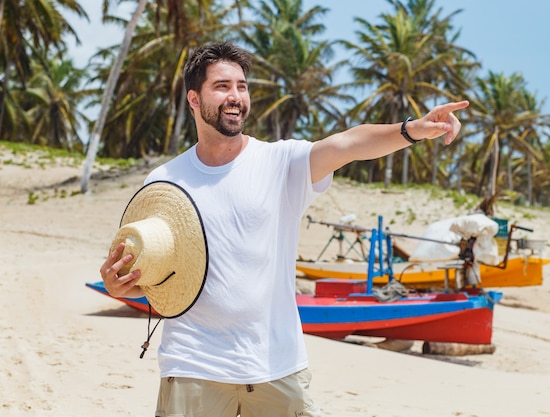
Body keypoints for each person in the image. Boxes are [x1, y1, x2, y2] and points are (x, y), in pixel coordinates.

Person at [100, 41, 469, 417]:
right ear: (194, 99)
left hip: (275, 363)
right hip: (194, 363)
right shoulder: (164, 181)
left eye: (242, 86)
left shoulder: (280, 162)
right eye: (222, 86)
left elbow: (349, 144)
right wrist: (118, 282)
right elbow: (149, 267)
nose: (236, 96)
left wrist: (414, 129)